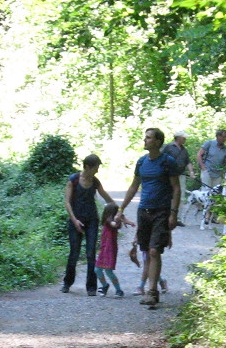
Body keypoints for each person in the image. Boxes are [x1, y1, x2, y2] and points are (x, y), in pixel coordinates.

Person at [115, 127, 181, 307]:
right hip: (144, 211)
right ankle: (151, 288)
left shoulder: (167, 162)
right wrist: (121, 209)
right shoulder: (141, 162)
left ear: (158, 142)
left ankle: (152, 291)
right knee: (146, 250)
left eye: (149, 138)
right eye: (145, 137)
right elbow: (134, 186)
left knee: (154, 251)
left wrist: (173, 213)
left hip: (162, 211)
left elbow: (176, 188)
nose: (145, 140)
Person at [63, 154, 115, 296]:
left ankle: (91, 287)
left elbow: (107, 199)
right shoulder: (73, 180)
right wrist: (74, 221)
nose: (97, 171)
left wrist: (119, 211)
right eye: (96, 167)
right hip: (76, 219)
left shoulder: (95, 182)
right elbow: (67, 202)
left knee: (91, 253)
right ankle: (67, 283)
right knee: (74, 252)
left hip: (91, 220)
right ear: (87, 167)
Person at [95, 203, 132, 298]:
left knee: (108, 271)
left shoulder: (113, 223)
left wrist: (120, 219)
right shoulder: (107, 221)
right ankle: (104, 285)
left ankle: (119, 290)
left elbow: (115, 224)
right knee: (97, 269)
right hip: (104, 249)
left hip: (110, 249)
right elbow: (113, 223)